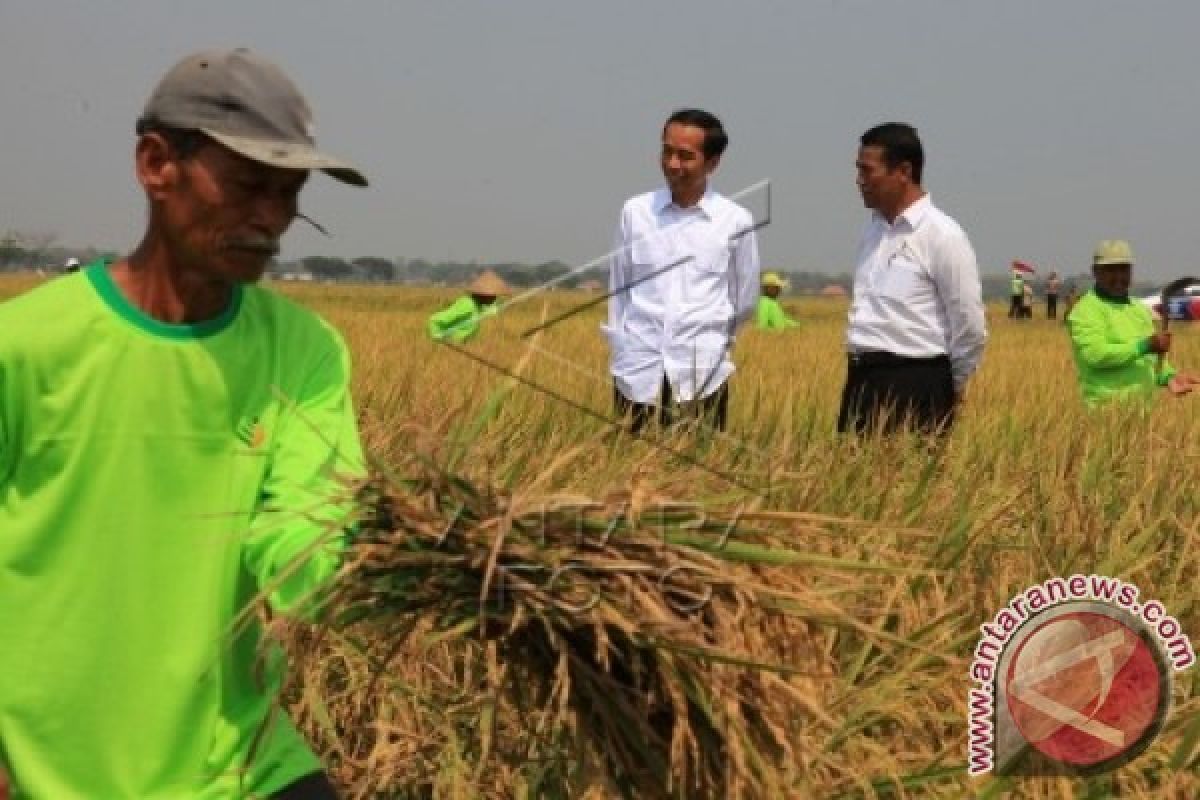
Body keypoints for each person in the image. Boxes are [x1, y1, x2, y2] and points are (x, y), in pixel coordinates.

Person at [0, 48, 368, 799]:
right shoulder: (25, 348)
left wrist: (401, 567)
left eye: (289, 193)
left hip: (236, 758)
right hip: (57, 765)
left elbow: (304, 527)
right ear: (155, 164)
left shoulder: (303, 353)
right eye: (248, 187)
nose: (271, 219)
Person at [604, 108, 760, 435]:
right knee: (629, 476)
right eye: (667, 152)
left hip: (701, 375)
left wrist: (713, 344)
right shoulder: (636, 212)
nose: (673, 164)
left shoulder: (736, 221)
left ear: (713, 163)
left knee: (696, 478)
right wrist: (623, 349)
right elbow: (619, 289)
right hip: (637, 373)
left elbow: (743, 299)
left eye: (685, 156)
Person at [839, 122, 987, 435]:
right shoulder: (872, 231)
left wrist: (948, 385)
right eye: (858, 171)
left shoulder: (942, 235)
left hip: (917, 382)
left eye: (868, 171)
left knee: (908, 479)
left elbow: (969, 325)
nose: (859, 181)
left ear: (903, 171)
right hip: (862, 380)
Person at [1066, 240, 1197, 407]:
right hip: (1105, 412)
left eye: (1124, 269)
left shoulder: (1138, 309)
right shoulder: (1085, 310)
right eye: (1111, 270)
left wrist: (1169, 377)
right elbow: (1095, 355)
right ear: (1095, 272)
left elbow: (1149, 358)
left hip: (1145, 413)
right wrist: (1145, 345)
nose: (1119, 276)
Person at [426, 269, 510, 342]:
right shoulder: (467, 305)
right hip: (452, 342)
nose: (494, 299)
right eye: (492, 296)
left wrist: (497, 308)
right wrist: (436, 335)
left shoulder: (478, 305)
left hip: (464, 343)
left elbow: (486, 311)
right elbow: (434, 320)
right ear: (483, 294)